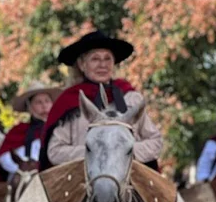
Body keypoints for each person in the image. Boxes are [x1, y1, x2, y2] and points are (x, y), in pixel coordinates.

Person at [40, 31, 164, 169]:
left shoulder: (131, 98)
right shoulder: (70, 102)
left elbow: (156, 141)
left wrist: (125, 151)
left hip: (130, 176)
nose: (102, 65)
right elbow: (54, 152)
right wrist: (94, 152)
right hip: (82, 179)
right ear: (82, 64)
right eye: (95, 59)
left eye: (107, 59)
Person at [0, 82, 60, 178]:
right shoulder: (18, 130)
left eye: (47, 101)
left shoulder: (60, 129)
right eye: (38, 102)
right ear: (29, 106)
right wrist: (22, 170)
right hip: (23, 177)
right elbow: (4, 157)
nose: (44, 105)